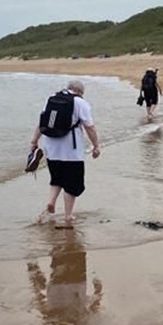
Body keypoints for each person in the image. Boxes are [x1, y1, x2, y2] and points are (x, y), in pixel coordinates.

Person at [30, 80, 101, 228]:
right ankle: (68, 215)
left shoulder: (51, 99)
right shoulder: (80, 103)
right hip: (71, 151)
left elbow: (41, 122)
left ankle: (51, 201)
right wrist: (96, 145)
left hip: (51, 148)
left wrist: (34, 141)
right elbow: (90, 127)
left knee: (57, 178)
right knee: (72, 184)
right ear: (80, 92)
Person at [27, 230, 103, 325]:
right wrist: (34, 275)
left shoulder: (77, 317)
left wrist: (98, 291)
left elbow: (93, 307)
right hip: (65, 281)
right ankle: (60, 223)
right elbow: (40, 299)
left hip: (73, 281)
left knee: (71, 243)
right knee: (63, 244)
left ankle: (62, 222)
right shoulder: (67, 317)